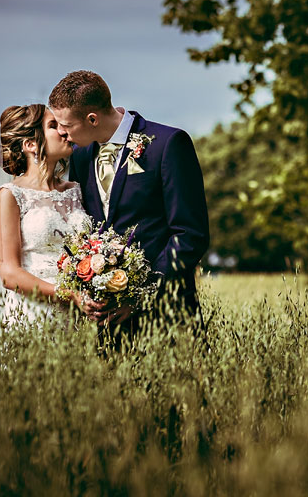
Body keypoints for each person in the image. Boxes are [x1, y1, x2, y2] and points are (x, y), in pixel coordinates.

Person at [48, 70, 210, 339]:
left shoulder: (168, 144)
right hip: (109, 323)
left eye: (65, 124)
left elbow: (190, 233)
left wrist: (142, 295)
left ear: (92, 119)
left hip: (167, 315)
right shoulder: (80, 156)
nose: (62, 132)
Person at [0, 104, 90, 326]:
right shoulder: (11, 195)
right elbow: (9, 273)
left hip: (80, 315)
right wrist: (67, 294)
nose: (64, 131)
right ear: (31, 144)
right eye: (53, 125)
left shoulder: (76, 190)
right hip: (34, 313)